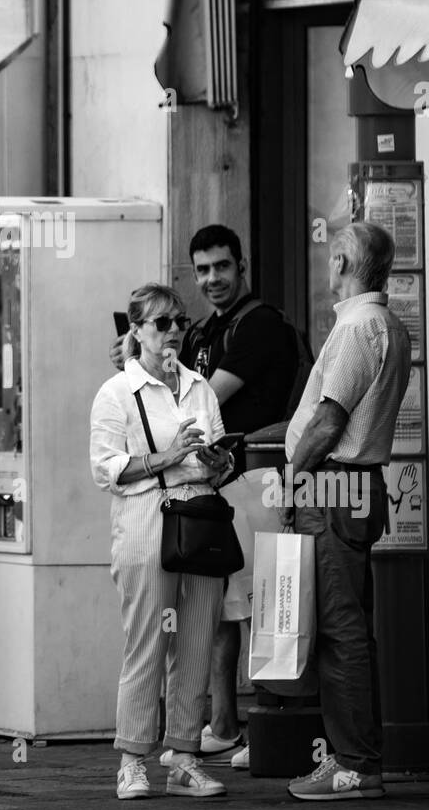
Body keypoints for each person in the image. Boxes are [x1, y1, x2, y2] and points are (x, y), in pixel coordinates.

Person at [110, 225, 298, 768]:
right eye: (202, 270)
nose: (212, 278)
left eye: (221, 266)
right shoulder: (207, 328)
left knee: (258, 607)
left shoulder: (259, 324)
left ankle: (263, 726)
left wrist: (147, 381)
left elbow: (201, 399)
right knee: (221, 614)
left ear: (242, 265)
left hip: (255, 474)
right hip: (216, 483)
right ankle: (222, 726)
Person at [282, 223, 410, 800]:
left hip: (333, 487)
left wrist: (291, 483)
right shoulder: (385, 324)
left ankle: (354, 764)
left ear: (339, 261)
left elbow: (330, 422)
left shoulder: (359, 327)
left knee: (339, 630)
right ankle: (355, 759)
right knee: (350, 626)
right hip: (354, 485)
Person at [91, 283, 234, 800]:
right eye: (161, 323)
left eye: (179, 321)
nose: (173, 330)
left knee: (197, 641)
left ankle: (184, 756)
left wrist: (221, 463)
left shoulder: (200, 388)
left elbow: (217, 460)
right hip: (147, 521)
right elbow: (106, 469)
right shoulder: (116, 393)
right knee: (147, 643)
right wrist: (169, 456)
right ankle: (132, 758)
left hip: (199, 518)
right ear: (137, 332)